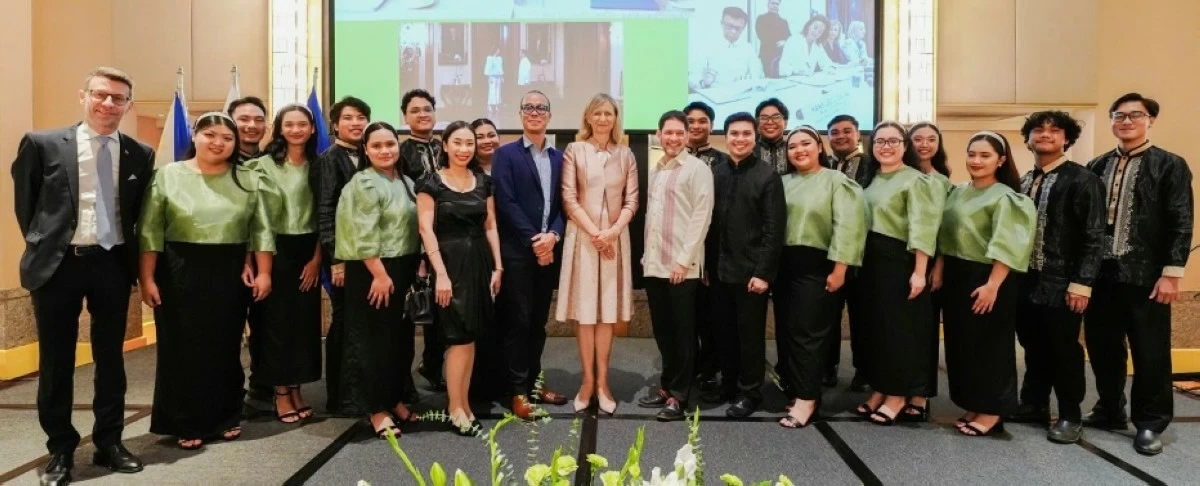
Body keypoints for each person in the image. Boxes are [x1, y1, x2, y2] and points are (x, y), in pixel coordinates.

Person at [11, 67, 153, 485]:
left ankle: (110, 442)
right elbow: (27, 203)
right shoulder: (43, 143)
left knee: (112, 359)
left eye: (118, 98)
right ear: (83, 96)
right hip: (59, 265)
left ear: (128, 105)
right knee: (57, 362)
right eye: (101, 95)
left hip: (111, 264)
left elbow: (137, 213)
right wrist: (45, 244)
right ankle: (60, 450)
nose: (108, 104)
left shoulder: (139, 153)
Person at [138, 112, 275, 450]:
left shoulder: (245, 178)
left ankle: (227, 415)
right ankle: (186, 420)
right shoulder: (168, 175)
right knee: (183, 347)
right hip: (179, 269)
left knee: (226, 345)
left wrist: (264, 272)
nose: (218, 143)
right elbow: (150, 230)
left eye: (227, 138)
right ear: (195, 136)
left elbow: (260, 230)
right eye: (210, 135)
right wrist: (147, 278)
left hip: (229, 270)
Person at [1084, 93, 1193, 455]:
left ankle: (1149, 423)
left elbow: (1181, 220)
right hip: (1101, 273)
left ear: (1150, 120)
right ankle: (1109, 408)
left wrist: (1171, 273)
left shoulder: (1169, 165)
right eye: (1119, 115)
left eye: (1135, 115)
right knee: (1102, 347)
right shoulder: (1096, 165)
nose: (1126, 121)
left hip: (1146, 274)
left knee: (1150, 351)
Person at [1010, 111, 1105, 444]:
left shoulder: (1083, 180)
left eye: (1054, 130)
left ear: (1067, 139)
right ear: (1029, 138)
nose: (1046, 134)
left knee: (1063, 350)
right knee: (1032, 345)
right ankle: (1033, 404)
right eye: (1038, 129)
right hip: (1026, 280)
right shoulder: (1023, 179)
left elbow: (1094, 236)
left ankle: (1070, 414)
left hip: (1063, 283)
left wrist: (1082, 284)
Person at [935, 131, 1036, 437]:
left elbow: (1008, 244)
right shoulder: (958, 191)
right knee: (963, 344)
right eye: (972, 154)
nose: (976, 161)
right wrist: (939, 269)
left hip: (989, 276)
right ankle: (975, 403)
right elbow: (943, 234)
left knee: (989, 346)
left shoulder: (1007, 197)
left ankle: (993, 410)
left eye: (985, 155)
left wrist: (993, 285)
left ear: (1001, 160)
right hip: (956, 274)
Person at [334, 121, 423, 439]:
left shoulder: (405, 181)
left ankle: (393, 398)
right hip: (374, 271)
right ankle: (376, 409)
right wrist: (381, 275)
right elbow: (363, 232)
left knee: (398, 341)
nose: (385, 150)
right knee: (373, 342)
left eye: (390, 144)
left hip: (402, 267)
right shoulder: (364, 183)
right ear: (366, 149)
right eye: (377, 145)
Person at [775, 126, 866, 429]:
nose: (799, 150)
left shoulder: (837, 181)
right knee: (788, 332)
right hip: (784, 266)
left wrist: (840, 268)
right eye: (792, 146)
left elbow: (848, 226)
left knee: (809, 335)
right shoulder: (782, 182)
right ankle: (797, 389)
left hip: (819, 265)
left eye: (805, 144)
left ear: (818, 147)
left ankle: (808, 398)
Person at [853, 121, 944, 426]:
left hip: (901, 261)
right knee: (877, 330)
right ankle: (882, 387)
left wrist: (920, 271)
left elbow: (923, 227)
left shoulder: (917, 181)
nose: (886, 146)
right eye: (880, 141)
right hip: (872, 262)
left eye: (893, 141)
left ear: (905, 146)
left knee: (899, 331)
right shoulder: (871, 179)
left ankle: (897, 394)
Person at [417, 120, 503, 435]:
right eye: (458, 142)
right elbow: (425, 229)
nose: (465, 149)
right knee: (457, 336)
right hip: (449, 266)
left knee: (471, 335)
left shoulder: (482, 182)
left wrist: (498, 266)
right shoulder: (431, 182)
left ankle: (464, 403)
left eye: (470, 143)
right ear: (446, 145)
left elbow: (490, 225)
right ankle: (454, 407)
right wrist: (440, 273)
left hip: (480, 263)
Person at [558, 93, 639, 415]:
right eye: (598, 113)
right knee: (586, 312)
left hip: (616, 238)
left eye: (609, 113)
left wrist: (612, 232)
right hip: (583, 236)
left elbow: (632, 200)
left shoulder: (626, 154)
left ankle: (604, 383)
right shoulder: (574, 151)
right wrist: (595, 233)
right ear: (588, 118)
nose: (604, 118)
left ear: (615, 118)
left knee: (607, 313)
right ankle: (587, 382)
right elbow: (568, 197)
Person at [492, 90, 571, 420]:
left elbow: (565, 203)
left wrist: (552, 236)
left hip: (548, 252)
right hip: (518, 253)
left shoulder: (559, 158)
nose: (535, 112)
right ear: (521, 115)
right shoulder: (505, 155)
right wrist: (534, 240)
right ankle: (517, 392)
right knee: (518, 322)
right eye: (528, 107)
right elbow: (506, 203)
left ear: (549, 116)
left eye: (541, 108)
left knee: (538, 322)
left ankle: (536, 386)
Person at [702, 112, 786, 418]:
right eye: (734, 134)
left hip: (752, 274)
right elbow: (708, 224)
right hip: (719, 271)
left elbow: (774, 230)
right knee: (723, 333)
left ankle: (750, 392)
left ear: (755, 137)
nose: (740, 139)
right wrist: (707, 268)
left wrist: (763, 273)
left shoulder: (767, 176)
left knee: (750, 336)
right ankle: (729, 385)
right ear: (725, 137)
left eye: (746, 134)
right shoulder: (716, 172)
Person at [244, 104, 322, 424]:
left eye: (302, 124)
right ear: (279, 128)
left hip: (310, 248)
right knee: (275, 323)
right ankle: (279, 391)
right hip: (272, 249)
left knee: (304, 326)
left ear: (312, 128)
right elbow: (253, 219)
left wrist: (317, 259)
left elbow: (325, 215)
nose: (296, 129)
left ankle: (296, 386)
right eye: (289, 124)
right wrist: (259, 266)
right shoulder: (261, 166)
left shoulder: (319, 166)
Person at [636, 111, 713, 421]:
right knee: (664, 331)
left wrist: (684, 260)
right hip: (655, 264)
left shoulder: (697, 169)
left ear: (687, 135)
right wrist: (646, 256)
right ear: (659, 133)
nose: (673, 138)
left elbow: (701, 217)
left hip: (681, 266)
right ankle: (667, 386)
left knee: (683, 333)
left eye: (679, 133)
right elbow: (651, 218)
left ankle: (680, 396)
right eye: (668, 132)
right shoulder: (657, 170)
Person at [316, 96, 375, 415]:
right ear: (335, 124)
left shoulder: (368, 156)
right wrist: (335, 259)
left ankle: (363, 389)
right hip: (342, 257)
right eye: (348, 117)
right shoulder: (329, 158)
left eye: (361, 117)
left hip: (367, 253)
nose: (356, 123)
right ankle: (341, 396)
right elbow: (325, 211)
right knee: (344, 323)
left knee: (361, 323)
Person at [399, 89, 448, 392]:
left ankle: (433, 365)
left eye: (427, 109)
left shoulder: (445, 146)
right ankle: (402, 381)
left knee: (442, 308)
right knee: (413, 308)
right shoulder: (400, 152)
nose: (422, 114)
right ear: (405, 116)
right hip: (414, 238)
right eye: (415, 110)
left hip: (448, 238)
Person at [823, 114, 875, 391]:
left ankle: (863, 370)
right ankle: (827, 367)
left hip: (863, 254)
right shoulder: (822, 165)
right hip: (826, 253)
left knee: (862, 315)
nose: (841, 136)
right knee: (827, 316)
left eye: (847, 131)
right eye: (834, 132)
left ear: (857, 135)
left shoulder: (872, 165)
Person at [906, 121, 952, 421]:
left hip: (928, 263)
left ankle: (920, 394)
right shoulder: (899, 176)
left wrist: (938, 266)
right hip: (899, 262)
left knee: (923, 331)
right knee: (901, 332)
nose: (924, 144)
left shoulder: (943, 183)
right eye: (917, 139)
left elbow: (945, 230)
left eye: (931, 139)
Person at [682, 101, 729, 392]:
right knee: (686, 316)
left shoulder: (723, 161)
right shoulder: (673, 159)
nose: (696, 126)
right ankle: (688, 366)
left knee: (712, 315)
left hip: (712, 249)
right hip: (680, 251)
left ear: (711, 124)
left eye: (702, 121)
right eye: (691, 122)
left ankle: (711, 368)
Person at [688, 6, 760, 90]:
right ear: (721, 23)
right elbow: (692, 77)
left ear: (743, 28)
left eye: (738, 28)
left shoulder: (748, 48)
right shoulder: (705, 46)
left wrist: (750, 82)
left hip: (742, 96)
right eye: (729, 26)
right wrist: (703, 83)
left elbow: (757, 77)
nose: (733, 31)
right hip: (714, 96)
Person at [755, 0, 791, 77]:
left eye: (777, 4)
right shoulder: (761, 19)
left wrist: (785, 42)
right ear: (768, 5)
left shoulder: (784, 22)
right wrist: (777, 41)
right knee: (769, 79)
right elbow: (761, 35)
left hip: (781, 56)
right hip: (766, 55)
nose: (775, 6)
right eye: (773, 3)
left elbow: (789, 38)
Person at [755, 98, 790, 175]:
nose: (770, 122)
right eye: (764, 118)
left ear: (786, 123)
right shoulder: (749, 151)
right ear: (757, 124)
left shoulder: (792, 149)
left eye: (776, 117)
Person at [229, 96, 268, 162]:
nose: (252, 125)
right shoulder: (221, 163)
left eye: (259, 120)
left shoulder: (273, 162)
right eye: (244, 119)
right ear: (230, 123)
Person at [484, 47, 505, 118]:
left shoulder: (499, 59)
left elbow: (500, 68)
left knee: (498, 91)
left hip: (498, 77)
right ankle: (489, 105)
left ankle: (496, 106)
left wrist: (502, 76)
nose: (499, 51)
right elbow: (488, 68)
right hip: (492, 77)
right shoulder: (490, 58)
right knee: (492, 91)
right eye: (498, 49)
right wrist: (489, 77)